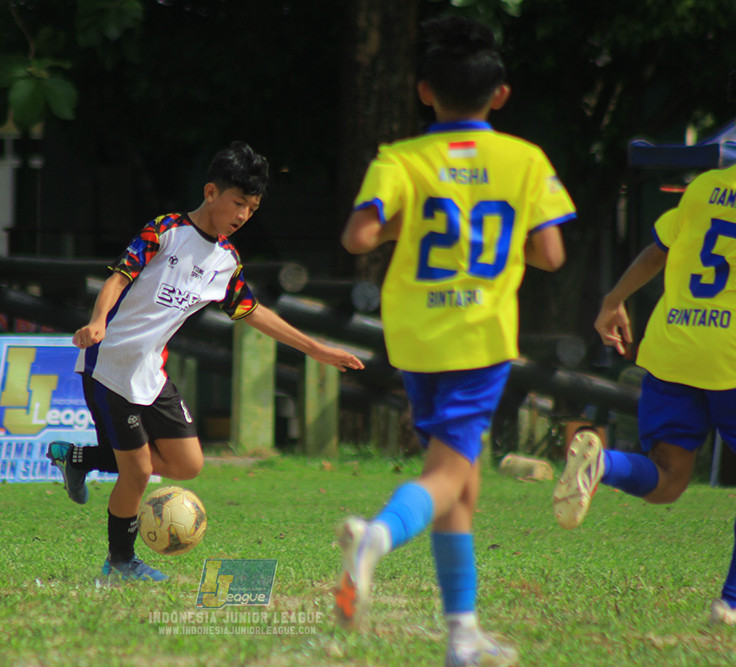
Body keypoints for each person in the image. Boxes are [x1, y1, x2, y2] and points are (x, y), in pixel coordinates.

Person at [335, 16, 572, 667]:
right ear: (500, 95)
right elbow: (551, 253)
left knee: (463, 483)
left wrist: (403, 228)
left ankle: (462, 636)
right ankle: (376, 536)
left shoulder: (400, 159)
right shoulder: (524, 160)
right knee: (447, 474)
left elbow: (358, 236)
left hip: (414, 334)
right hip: (481, 336)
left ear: (423, 92)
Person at [46, 141, 365, 583]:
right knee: (137, 472)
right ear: (211, 192)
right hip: (110, 365)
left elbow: (253, 311)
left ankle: (78, 457)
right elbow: (118, 278)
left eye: (252, 209)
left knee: (188, 465)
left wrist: (315, 348)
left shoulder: (225, 261)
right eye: (238, 203)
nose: (243, 216)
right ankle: (119, 563)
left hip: (150, 373)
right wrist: (98, 322)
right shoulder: (165, 231)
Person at [554, 70, 736, 627]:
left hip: (675, 349)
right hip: (731, 359)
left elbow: (658, 249)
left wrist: (613, 300)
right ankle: (730, 603)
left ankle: (602, 462)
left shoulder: (706, 188)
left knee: (667, 481)